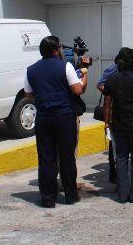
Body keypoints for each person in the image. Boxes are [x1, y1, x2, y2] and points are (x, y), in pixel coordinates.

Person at [24, 36, 90, 208]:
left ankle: (48, 198)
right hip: (64, 117)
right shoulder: (65, 66)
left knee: (46, 158)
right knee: (67, 157)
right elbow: (77, 90)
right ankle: (70, 195)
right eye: (59, 47)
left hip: (44, 117)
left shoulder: (31, 70)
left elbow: (28, 95)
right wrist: (84, 73)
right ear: (55, 50)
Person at [102, 48, 133, 203]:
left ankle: (123, 194)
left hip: (118, 124)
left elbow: (107, 103)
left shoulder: (112, 80)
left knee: (121, 159)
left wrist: (106, 122)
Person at [97, 48, 131, 183]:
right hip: (113, 109)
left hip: (124, 110)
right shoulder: (113, 69)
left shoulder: (128, 70)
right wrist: (112, 93)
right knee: (114, 144)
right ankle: (114, 173)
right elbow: (100, 84)